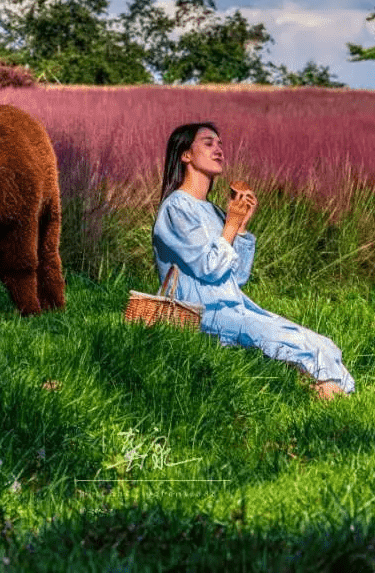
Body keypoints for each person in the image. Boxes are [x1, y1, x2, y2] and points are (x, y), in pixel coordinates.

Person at [151, 122, 355, 399]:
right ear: (186, 155)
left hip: (233, 307)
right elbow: (208, 268)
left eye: (220, 144)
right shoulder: (176, 208)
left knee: (322, 343)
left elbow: (236, 278)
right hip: (199, 313)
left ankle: (326, 393)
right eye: (208, 143)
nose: (219, 149)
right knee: (294, 342)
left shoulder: (212, 210)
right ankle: (329, 398)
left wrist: (242, 227)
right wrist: (231, 224)